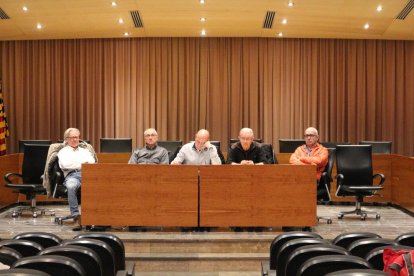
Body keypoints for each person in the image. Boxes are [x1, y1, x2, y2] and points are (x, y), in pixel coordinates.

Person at [57, 128, 97, 229]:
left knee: (100, 186)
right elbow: (66, 165)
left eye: (77, 137)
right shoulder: (62, 152)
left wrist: (77, 164)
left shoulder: (85, 151)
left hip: (88, 174)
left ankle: (95, 217)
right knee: (71, 186)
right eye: (73, 138)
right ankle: (75, 216)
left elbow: (92, 162)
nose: (75, 140)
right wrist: (82, 164)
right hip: (72, 175)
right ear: (66, 139)